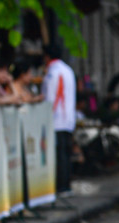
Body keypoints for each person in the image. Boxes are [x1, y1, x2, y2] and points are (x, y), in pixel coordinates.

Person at [42, 44, 77, 196]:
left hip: (57, 119)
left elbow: (50, 97)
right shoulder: (68, 70)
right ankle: (65, 185)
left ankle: (61, 186)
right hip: (68, 118)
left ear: (47, 56)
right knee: (65, 153)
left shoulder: (52, 72)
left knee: (60, 154)